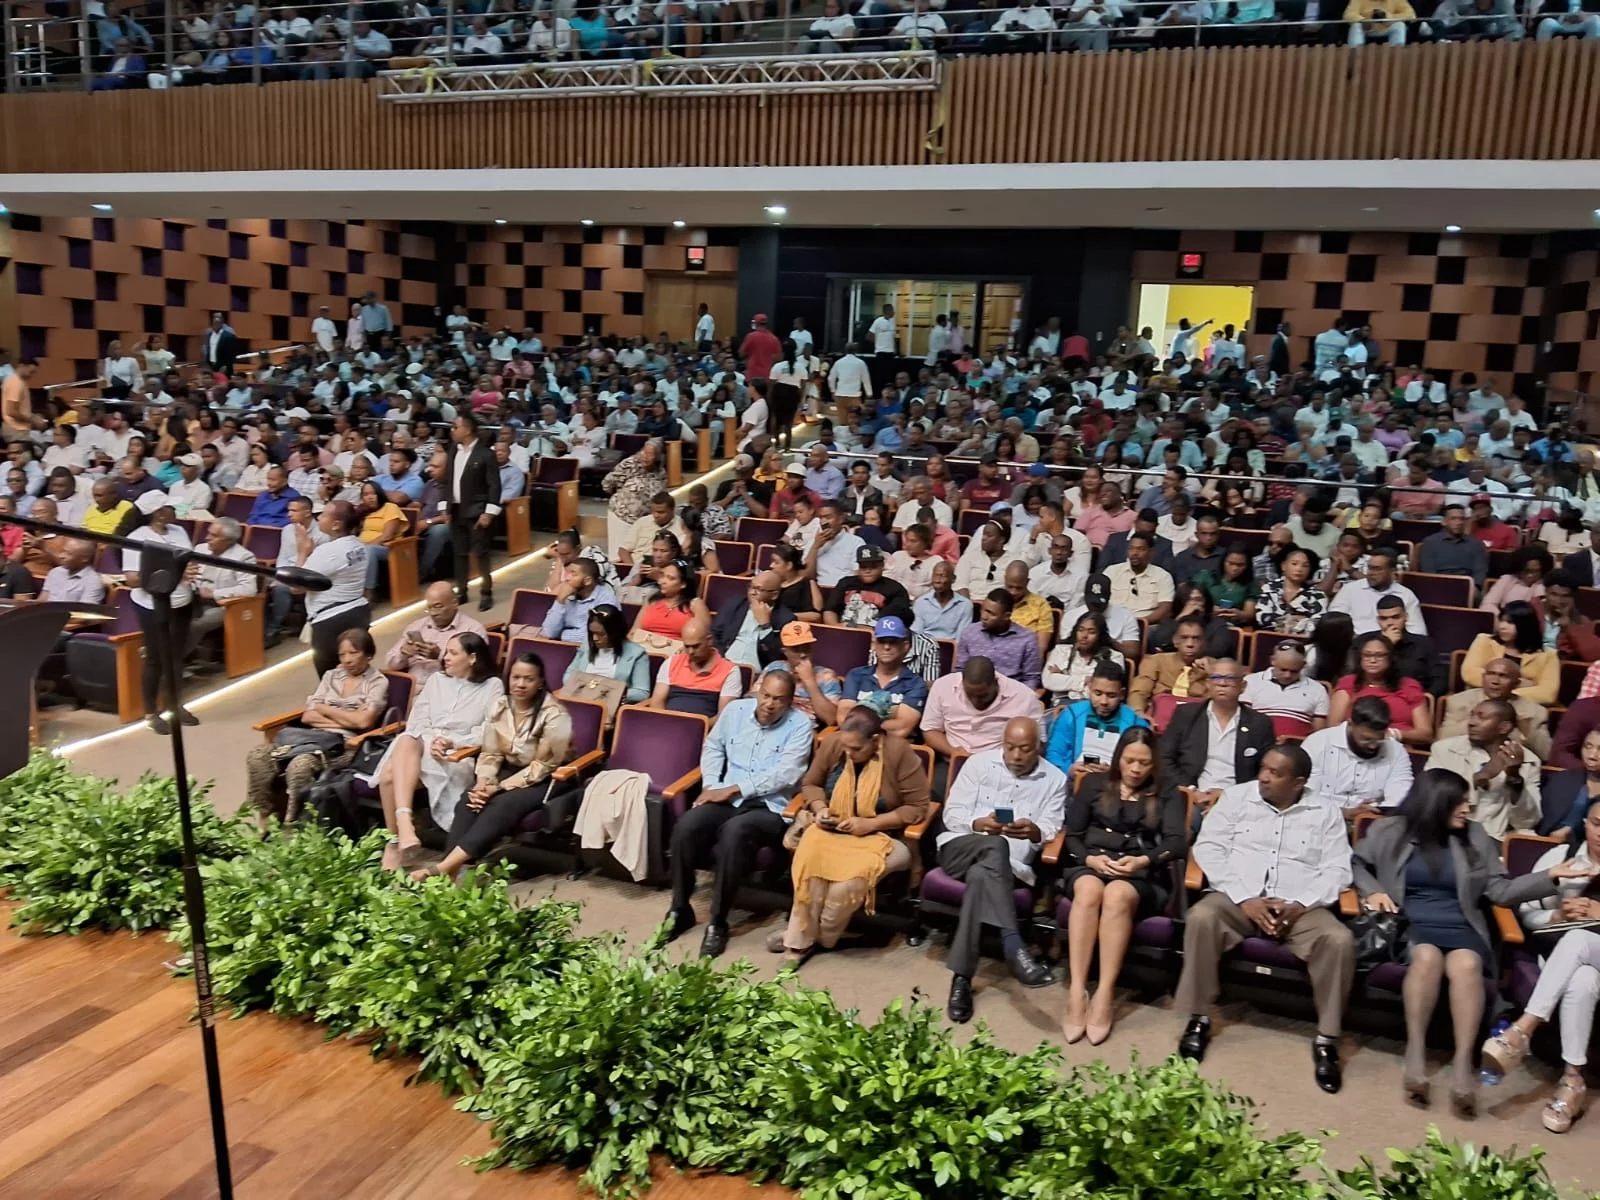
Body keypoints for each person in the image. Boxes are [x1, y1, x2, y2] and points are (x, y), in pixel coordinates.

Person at [1355, 769, 1576, 1117]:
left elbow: (1501, 891)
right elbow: (1357, 864)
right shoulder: (1390, 830)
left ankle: (1462, 1064)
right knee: (1426, 958)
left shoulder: (1475, 836)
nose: (1467, 807)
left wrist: (1550, 877)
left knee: (1468, 964)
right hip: (1413, 925)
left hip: (1462, 926)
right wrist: (1374, 891)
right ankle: (1415, 1052)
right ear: (1435, 803)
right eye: (1459, 801)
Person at [1177, 744, 1355, 1094]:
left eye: (1275, 773)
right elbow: (1208, 847)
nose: (1264, 776)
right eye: (1263, 768)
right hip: (1239, 898)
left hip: (1300, 907)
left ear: (1299, 782)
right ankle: (1199, 1018)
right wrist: (1245, 898)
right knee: (1201, 917)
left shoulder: (1325, 811)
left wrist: (1300, 904)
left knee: (1339, 940)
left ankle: (1326, 1039)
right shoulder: (1236, 798)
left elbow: (1338, 869)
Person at [662, 669, 814, 958]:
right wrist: (710, 785)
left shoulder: (800, 725)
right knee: (687, 826)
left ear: (790, 702)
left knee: (736, 832)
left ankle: (718, 922)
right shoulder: (735, 711)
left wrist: (732, 789)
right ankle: (680, 908)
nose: (769, 704)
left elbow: (786, 774)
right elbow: (713, 747)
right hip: (725, 796)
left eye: (778, 700)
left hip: (770, 807)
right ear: (757, 691)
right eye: (766, 695)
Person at [774, 706, 931, 964]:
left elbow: (918, 807)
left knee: (845, 885)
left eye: (856, 749)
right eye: (846, 747)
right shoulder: (837, 742)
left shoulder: (898, 752)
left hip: (884, 837)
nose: (848, 752)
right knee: (810, 869)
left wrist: (871, 823)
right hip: (833, 829)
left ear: (876, 740)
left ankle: (809, 939)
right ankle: (799, 943)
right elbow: (811, 784)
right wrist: (821, 808)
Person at [1483, 791, 1600, 1133]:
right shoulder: (1562, 857)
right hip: (1569, 961)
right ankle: (1573, 1080)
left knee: (1579, 939)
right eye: (1596, 824)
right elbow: (1526, 912)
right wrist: (1557, 915)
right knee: (1581, 980)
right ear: (1585, 823)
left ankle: (1521, 1031)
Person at [939, 717, 1069, 1024]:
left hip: (1009, 868)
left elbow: (1051, 828)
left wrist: (1035, 831)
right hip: (959, 849)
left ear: (1039, 747)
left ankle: (961, 979)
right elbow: (952, 813)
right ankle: (1013, 943)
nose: (1016, 756)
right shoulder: (978, 765)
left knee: (981, 875)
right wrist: (977, 824)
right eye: (1010, 748)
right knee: (994, 844)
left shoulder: (1055, 779)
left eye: (1025, 749)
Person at [1061, 726, 1185, 1045]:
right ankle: (1077, 991)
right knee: (1089, 891)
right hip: (1092, 863)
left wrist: (1142, 861)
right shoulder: (1093, 783)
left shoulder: (1168, 790)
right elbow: (1072, 836)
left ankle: (1104, 992)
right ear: (1118, 758)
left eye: (1143, 763)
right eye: (1129, 760)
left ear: (1153, 763)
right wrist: (1089, 860)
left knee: (1115, 895)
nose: (1135, 769)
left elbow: (1176, 843)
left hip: (1140, 873)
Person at [412, 652, 574, 883]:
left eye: (528, 679)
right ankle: (450, 873)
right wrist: (483, 783)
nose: (520, 684)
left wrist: (497, 788)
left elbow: (543, 765)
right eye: (516, 677)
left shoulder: (554, 714)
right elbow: (490, 752)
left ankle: (442, 868)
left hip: (547, 777)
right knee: (469, 800)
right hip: (509, 769)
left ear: (540, 683)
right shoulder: (500, 706)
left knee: (500, 805)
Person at [373, 631, 505, 872]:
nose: (445, 657)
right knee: (408, 738)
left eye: (453, 653)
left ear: (473, 657)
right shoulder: (436, 680)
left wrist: (451, 741)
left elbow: (489, 730)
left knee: (389, 774)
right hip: (421, 744)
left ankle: (395, 839)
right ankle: (403, 824)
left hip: (457, 755)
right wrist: (430, 739)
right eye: (447, 652)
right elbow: (417, 720)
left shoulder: (492, 686)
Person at [243, 628, 387, 829]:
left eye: (353, 653)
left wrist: (324, 709)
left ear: (369, 654)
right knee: (257, 755)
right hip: (308, 738)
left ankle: (293, 824)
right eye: (342, 654)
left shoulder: (378, 682)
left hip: (345, 746)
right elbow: (309, 715)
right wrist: (348, 717)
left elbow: (363, 723)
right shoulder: (331, 676)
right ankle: (265, 817)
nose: (347, 660)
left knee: (300, 765)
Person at [121, 492, 198, 735]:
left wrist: (190, 571)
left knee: (176, 657)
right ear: (157, 512)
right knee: (155, 659)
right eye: (168, 507)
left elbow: (190, 561)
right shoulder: (137, 538)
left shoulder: (179, 532)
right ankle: (151, 712)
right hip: (152, 606)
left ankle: (176, 705)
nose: (173, 511)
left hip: (182, 602)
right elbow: (133, 579)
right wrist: (175, 573)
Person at [1158, 657, 1276, 814]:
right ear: (1208, 684)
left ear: (1243, 686)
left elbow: (1266, 771)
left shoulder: (1260, 724)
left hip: (1240, 801)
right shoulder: (1186, 714)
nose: (1222, 683)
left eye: (1230, 679)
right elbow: (1164, 757)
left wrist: (1227, 796)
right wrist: (1192, 792)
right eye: (1216, 678)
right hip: (1190, 797)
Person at [1426, 698, 1543, 843]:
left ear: (1504, 727)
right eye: (1472, 715)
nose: (1471, 722)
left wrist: (1514, 778)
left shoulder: (1528, 761)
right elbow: (1430, 796)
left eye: (1481, 717)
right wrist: (1480, 779)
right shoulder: (1445, 749)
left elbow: (1527, 821)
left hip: (1496, 840)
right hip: (1448, 832)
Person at [1302, 696, 1416, 819]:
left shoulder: (1397, 751)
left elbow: (1400, 798)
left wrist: (1376, 811)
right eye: (1366, 739)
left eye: (1379, 739)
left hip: (1370, 821)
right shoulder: (1317, 743)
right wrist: (1343, 813)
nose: (1373, 746)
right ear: (1351, 724)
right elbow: (1305, 797)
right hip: (1320, 818)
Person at [298, 501, 372, 679]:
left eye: (323, 514)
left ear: (336, 524)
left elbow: (296, 585)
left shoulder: (328, 551)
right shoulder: (358, 545)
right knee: (357, 672)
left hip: (331, 622)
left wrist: (302, 552)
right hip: (358, 612)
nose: (319, 517)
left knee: (331, 678)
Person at [922, 656, 1044, 757]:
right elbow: (930, 729)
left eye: (982, 695)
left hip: (1000, 765)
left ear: (996, 683)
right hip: (952, 758)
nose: (976, 700)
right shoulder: (943, 686)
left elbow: (1039, 742)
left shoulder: (1024, 697)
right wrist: (951, 751)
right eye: (970, 695)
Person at [1044, 661, 1147, 779]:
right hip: (1073, 781)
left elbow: (1143, 763)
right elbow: (1054, 754)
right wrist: (1069, 770)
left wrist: (1116, 772)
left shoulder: (1134, 723)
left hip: (1115, 784)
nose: (1104, 701)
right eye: (1098, 693)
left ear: (1122, 694)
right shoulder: (1072, 715)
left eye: (1111, 695)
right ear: (1089, 688)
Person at [1439, 656, 1552, 760]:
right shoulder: (1460, 701)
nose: (1495, 681)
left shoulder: (1534, 711)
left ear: (1516, 683)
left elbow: (1546, 754)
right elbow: (1443, 740)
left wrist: (1527, 730)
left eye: (1503, 676)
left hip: (1508, 764)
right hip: (1463, 758)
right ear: (1483, 677)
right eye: (1491, 674)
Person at [1327, 633, 1433, 744]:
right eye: (1367, 655)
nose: (1373, 660)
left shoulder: (1409, 686)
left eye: (1379, 655)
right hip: (1354, 745)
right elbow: (1333, 727)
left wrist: (1391, 735)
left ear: (1390, 658)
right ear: (1360, 658)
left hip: (1399, 746)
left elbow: (1425, 734)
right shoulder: (1348, 683)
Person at [442, 412, 500, 612]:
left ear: (466, 429)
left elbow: (494, 486)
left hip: (477, 511)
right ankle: (462, 591)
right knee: (459, 554)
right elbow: (447, 480)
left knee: (481, 554)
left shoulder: (486, 454)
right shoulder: (453, 450)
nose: (452, 430)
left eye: (455, 427)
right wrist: (445, 506)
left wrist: (489, 512)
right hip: (456, 510)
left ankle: (486, 592)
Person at [836, 616, 928, 738]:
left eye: (893, 641)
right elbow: (843, 718)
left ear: (905, 646)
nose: (886, 647)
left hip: (893, 749)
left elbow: (902, 728)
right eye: (882, 641)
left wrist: (859, 716)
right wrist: (893, 712)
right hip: (855, 745)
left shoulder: (916, 684)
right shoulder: (856, 675)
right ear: (874, 644)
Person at [385, 581, 488, 686]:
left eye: (438, 606)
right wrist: (403, 653)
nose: (433, 613)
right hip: (413, 689)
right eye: (429, 608)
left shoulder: (473, 630)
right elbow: (391, 664)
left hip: (451, 689)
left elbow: (477, 669)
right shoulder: (417, 627)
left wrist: (440, 656)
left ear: (455, 603)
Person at [1461, 600, 1559, 706]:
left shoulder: (1548, 656)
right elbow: (1469, 673)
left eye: (1510, 622)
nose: (1502, 626)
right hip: (1481, 701)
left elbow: (1548, 694)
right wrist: (1515, 683)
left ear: (1525, 625)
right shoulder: (1484, 641)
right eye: (1501, 621)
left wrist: (1505, 693)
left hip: (1522, 707)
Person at [647, 617, 742, 717]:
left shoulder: (730, 671)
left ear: (709, 640)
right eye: (687, 646)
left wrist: (696, 726)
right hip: (668, 726)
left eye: (696, 646)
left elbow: (723, 716)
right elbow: (656, 704)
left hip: (705, 730)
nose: (691, 652)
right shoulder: (671, 663)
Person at [955, 588, 1043, 691]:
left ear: (1007, 616)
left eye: (991, 613)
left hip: (1011, 695)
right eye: (983, 610)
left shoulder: (1027, 639)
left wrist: (1020, 699)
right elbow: (960, 670)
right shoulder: (969, 632)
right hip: (973, 693)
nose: (984, 616)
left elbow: (1031, 678)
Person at [565, 603, 652, 705]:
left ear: (615, 632)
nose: (595, 638)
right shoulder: (586, 646)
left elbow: (642, 692)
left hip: (609, 706)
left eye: (601, 634)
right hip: (579, 701)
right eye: (592, 633)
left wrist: (613, 693)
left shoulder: (637, 653)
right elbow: (568, 676)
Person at [763, 620, 844, 728]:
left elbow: (831, 719)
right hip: (769, 722)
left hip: (801, 728)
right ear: (785, 651)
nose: (802, 654)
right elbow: (753, 700)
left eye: (806, 648)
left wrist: (810, 682)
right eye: (796, 649)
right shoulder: (774, 668)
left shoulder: (827, 676)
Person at [1327, 547, 1425, 635]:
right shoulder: (1350, 589)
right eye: (1370, 568)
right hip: (1353, 644)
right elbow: (1334, 621)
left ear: (1392, 571)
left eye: (1377, 569)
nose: (1371, 573)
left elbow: (1418, 632)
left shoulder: (1406, 595)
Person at [1241, 640, 1330, 733]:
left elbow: (1319, 731)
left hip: (1297, 744)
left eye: (1294, 671)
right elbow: (1243, 719)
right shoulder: (1251, 681)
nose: (1287, 675)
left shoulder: (1318, 689)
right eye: (1283, 670)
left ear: (1303, 665)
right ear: (1272, 660)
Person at [710, 570, 793, 670]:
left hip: (757, 672)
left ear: (774, 595)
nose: (752, 592)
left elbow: (776, 657)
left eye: (758, 589)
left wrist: (765, 625)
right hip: (725, 664)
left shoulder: (786, 618)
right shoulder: (735, 605)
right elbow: (715, 634)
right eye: (751, 587)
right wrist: (720, 658)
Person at [1041, 612, 1126, 706]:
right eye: (1081, 630)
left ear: (1100, 636)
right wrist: (1085, 680)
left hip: (1095, 707)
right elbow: (1048, 681)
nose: (1084, 635)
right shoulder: (1060, 651)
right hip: (1061, 705)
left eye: (1091, 632)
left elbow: (1109, 690)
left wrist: (1063, 678)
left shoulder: (1114, 657)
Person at [823, 543, 913, 628]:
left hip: (878, 637)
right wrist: (836, 628)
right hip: (844, 632)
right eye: (863, 566)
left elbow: (895, 622)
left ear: (882, 566)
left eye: (873, 566)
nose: (867, 571)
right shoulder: (845, 583)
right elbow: (830, 610)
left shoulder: (895, 588)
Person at [541, 558, 620, 644]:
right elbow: (549, 632)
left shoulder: (606, 600)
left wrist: (560, 635)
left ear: (587, 581)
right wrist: (560, 601)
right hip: (562, 646)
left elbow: (593, 636)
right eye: (568, 573)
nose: (567, 578)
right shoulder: (567, 595)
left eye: (573, 574)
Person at [1102, 532, 1174, 623]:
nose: (1135, 553)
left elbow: (1165, 607)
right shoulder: (1112, 571)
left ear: (1151, 552)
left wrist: (1140, 623)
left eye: (1141, 549)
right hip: (1112, 622)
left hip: (1147, 624)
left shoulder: (1163, 576)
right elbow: (1099, 600)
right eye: (1131, 549)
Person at [1415, 504, 1489, 593]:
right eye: (1453, 519)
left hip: (1466, 588)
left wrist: (1475, 587)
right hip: (1437, 585)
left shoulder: (1476, 544)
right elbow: (1428, 571)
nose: (1458, 522)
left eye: (1461, 519)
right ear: (1444, 522)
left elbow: (1480, 573)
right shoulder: (1430, 542)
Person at [911, 559, 968, 641]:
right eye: (935, 576)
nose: (937, 580)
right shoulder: (921, 602)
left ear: (953, 579)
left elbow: (961, 638)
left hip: (950, 648)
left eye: (942, 576)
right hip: (925, 647)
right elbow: (916, 633)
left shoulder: (965, 605)